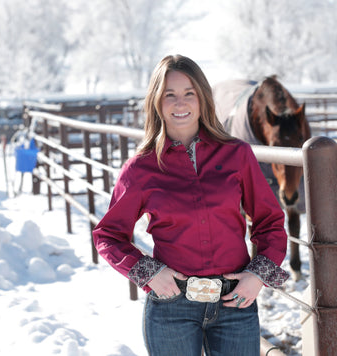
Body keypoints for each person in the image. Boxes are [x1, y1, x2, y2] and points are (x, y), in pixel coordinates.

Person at [93, 54, 289, 356]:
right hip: (171, 307)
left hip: (235, 300)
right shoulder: (141, 168)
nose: (180, 103)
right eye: (169, 95)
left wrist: (257, 276)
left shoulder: (237, 154)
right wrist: (149, 274)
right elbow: (107, 235)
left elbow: (270, 222)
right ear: (156, 102)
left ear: (202, 99)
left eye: (189, 93)